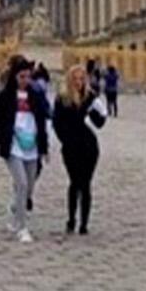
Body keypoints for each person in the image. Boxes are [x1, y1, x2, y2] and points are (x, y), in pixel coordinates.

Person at [0, 57, 50, 243]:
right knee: (21, 183)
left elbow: (42, 121)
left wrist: (44, 148)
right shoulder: (6, 96)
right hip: (13, 145)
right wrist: (0, 137)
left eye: (28, 76)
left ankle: (17, 206)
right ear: (14, 76)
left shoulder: (36, 96)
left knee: (29, 186)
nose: (25, 80)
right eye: (22, 76)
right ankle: (22, 227)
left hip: (32, 145)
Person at [52, 65, 109, 235]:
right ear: (70, 80)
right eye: (75, 78)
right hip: (70, 146)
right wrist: (65, 140)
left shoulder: (90, 97)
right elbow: (57, 123)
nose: (79, 82)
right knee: (74, 182)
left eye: (82, 78)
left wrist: (99, 113)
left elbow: (99, 124)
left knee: (86, 184)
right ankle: (71, 219)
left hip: (88, 145)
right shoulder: (62, 98)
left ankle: (84, 224)